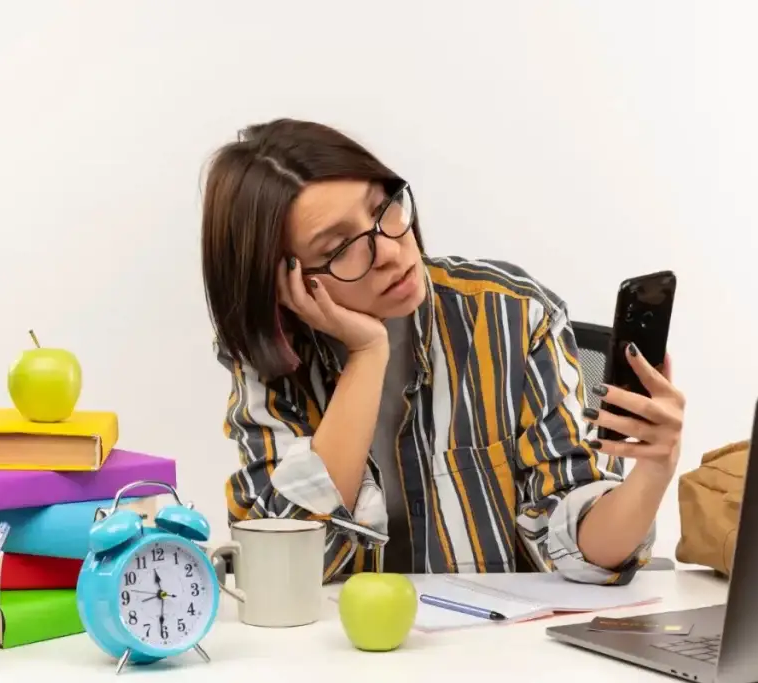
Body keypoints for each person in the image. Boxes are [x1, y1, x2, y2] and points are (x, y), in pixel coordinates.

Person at [200, 119, 686, 585]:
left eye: (381, 207)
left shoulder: (514, 315)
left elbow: (578, 551)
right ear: (286, 282)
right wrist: (368, 354)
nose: (389, 249)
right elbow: (281, 566)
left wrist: (653, 471)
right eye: (342, 246)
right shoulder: (273, 360)